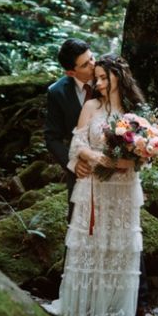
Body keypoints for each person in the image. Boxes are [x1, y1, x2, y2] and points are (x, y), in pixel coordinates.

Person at [53, 54, 146, 316]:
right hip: (93, 185)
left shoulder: (135, 111)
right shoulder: (91, 106)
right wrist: (95, 158)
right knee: (91, 244)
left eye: (105, 78)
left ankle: (114, 310)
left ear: (119, 77)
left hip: (123, 187)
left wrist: (124, 161)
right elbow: (76, 145)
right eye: (98, 78)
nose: (100, 83)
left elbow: (143, 158)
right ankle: (87, 309)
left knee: (118, 245)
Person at [44, 38, 96, 209]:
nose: (93, 65)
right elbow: (52, 137)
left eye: (92, 58)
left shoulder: (110, 77)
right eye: (85, 65)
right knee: (77, 219)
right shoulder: (56, 93)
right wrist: (72, 163)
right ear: (71, 73)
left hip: (114, 163)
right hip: (82, 167)